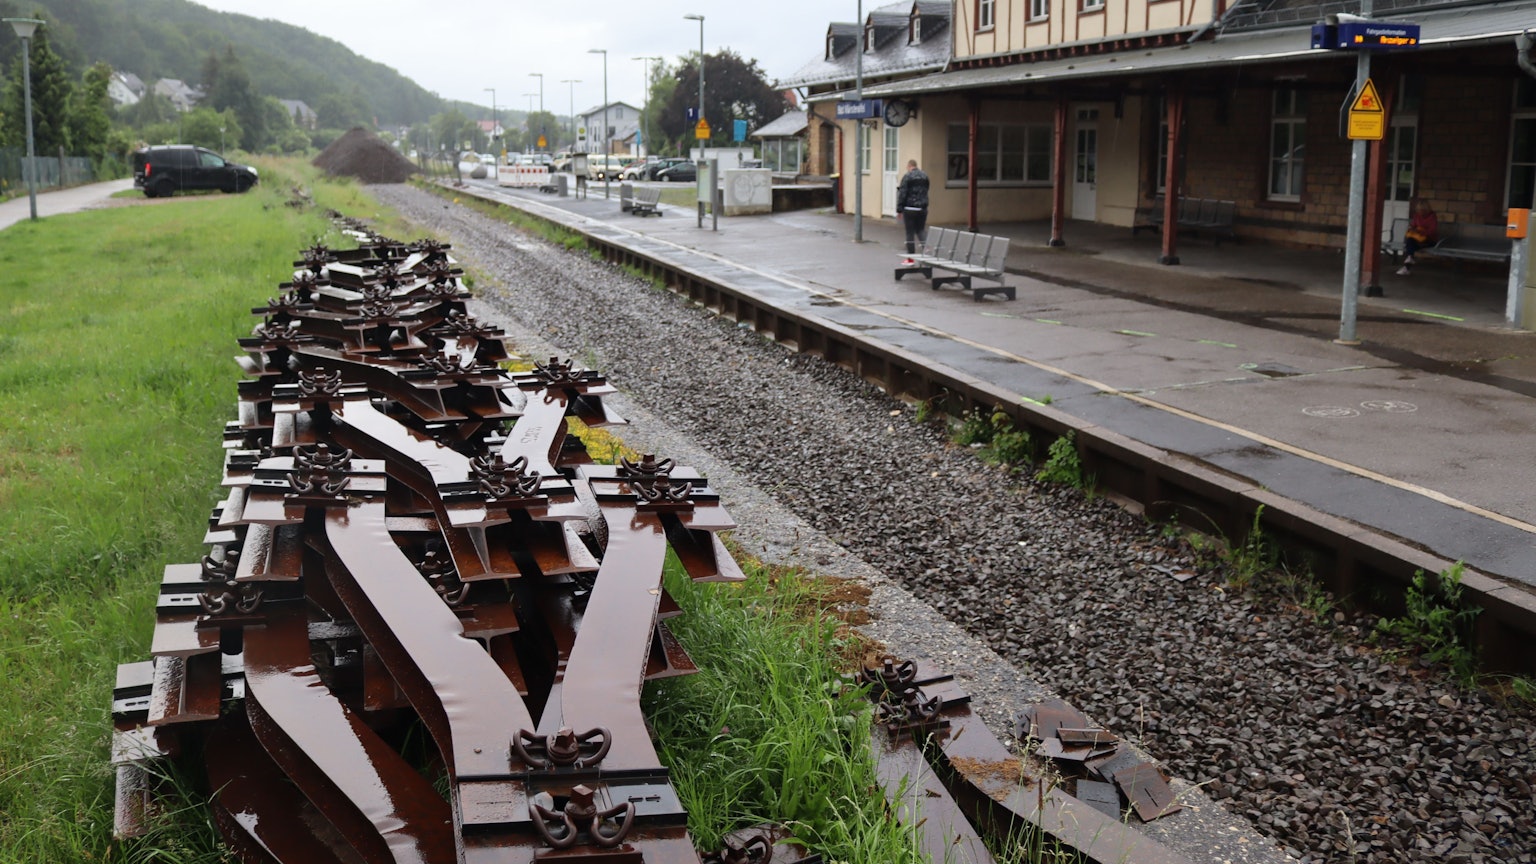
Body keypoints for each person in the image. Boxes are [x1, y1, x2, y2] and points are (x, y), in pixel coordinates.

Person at [895, 159, 930, 264]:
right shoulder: (925, 176)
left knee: (909, 232)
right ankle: (926, 248)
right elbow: (926, 190)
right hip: (922, 208)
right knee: (920, 229)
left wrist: (899, 209)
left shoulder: (907, 177)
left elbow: (903, 193)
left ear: (909, 166)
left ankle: (910, 258)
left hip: (910, 208)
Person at [1397, 198, 1438, 276]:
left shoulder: (1432, 216)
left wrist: (1419, 231)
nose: (1421, 212)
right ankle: (1409, 261)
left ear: (1427, 209)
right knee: (1410, 241)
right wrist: (1411, 228)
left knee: (1410, 245)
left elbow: (1432, 231)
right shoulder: (1417, 216)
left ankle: (1407, 267)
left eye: (1423, 210)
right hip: (1418, 239)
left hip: (1429, 240)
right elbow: (1413, 225)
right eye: (1419, 210)